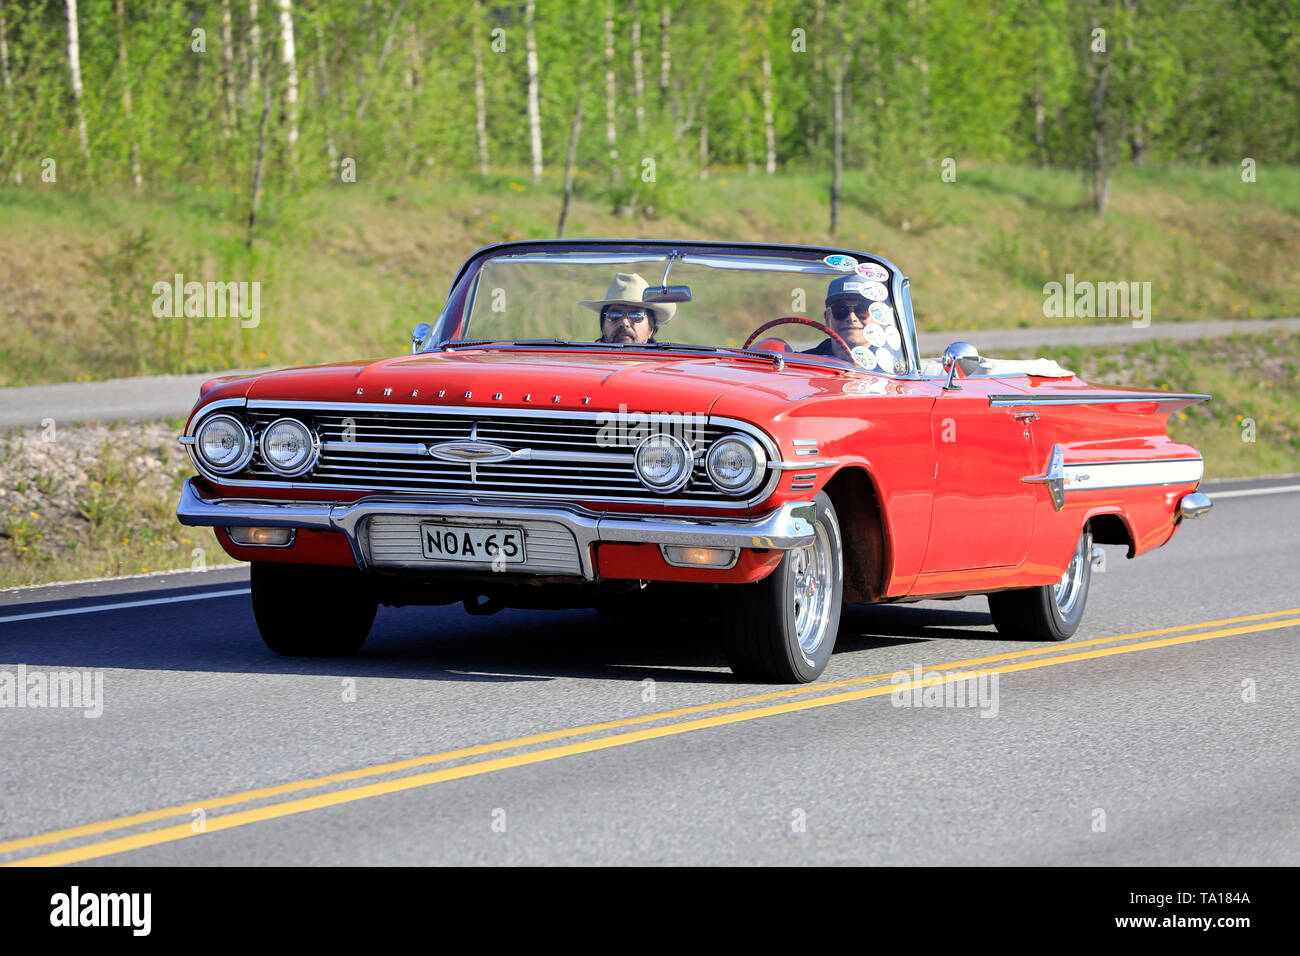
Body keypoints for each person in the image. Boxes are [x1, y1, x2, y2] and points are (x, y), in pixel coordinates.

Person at [580, 272, 677, 344]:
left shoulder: (659, 369)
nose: (624, 322)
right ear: (603, 326)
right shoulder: (585, 365)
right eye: (614, 315)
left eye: (636, 315)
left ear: (651, 330)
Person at [802, 275, 874, 360]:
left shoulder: (891, 367)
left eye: (862, 310)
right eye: (840, 310)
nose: (851, 318)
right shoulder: (804, 362)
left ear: (879, 318)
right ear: (827, 318)